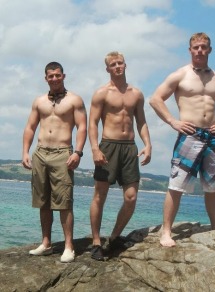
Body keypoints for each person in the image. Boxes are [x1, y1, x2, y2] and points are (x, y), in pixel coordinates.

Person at [149, 32, 215, 247]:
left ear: (209, 50)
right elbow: (155, 99)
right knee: (176, 185)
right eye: (196, 47)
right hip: (189, 135)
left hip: (212, 137)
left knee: (213, 187)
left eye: (203, 47)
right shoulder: (180, 75)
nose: (199, 50)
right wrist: (173, 122)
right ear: (190, 50)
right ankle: (166, 231)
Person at [88, 51, 152, 260]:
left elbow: (141, 121)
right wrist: (95, 149)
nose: (117, 66)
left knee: (131, 197)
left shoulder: (136, 94)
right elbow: (92, 123)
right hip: (108, 146)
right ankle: (96, 241)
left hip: (129, 148)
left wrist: (148, 144)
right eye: (113, 64)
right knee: (100, 195)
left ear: (126, 65)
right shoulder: (101, 93)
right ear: (107, 68)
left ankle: (114, 237)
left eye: (120, 63)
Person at [22, 62, 87, 262]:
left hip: (62, 154)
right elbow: (30, 127)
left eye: (57, 75)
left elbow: (82, 127)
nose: (54, 79)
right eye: (50, 76)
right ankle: (46, 243)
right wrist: (25, 151)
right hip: (40, 153)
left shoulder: (74, 100)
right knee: (43, 202)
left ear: (63, 76)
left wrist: (77, 152)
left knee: (64, 202)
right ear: (46, 78)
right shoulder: (39, 101)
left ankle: (69, 246)